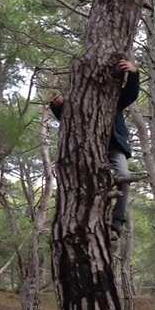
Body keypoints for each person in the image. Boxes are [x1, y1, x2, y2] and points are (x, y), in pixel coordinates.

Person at [49, 58, 142, 237]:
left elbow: (131, 93)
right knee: (82, 184)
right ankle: (78, 221)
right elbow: (66, 121)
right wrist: (56, 106)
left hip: (114, 147)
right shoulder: (78, 102)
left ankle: (117, 223)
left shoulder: (113, 98)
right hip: (85, 150)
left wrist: (133, 74)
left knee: (123, 177)